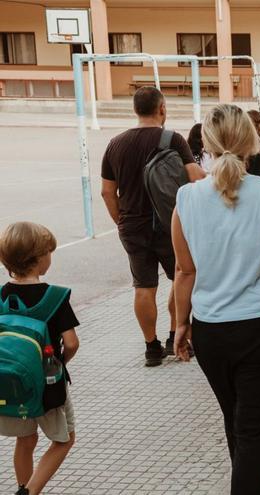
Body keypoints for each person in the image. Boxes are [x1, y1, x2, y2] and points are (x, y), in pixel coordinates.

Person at [171, 104, 260, 493]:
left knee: (236, 415)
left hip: (211, 331)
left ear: (205, 143)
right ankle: (251, 479)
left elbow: (184, 271)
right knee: (255, 427)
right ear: (251, 142)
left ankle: (254, 475)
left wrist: (179, 324)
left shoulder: (186, 198)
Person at [99, 86, 204, 367]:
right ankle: (174, 336)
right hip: (169, 223)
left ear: (135, 110)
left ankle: (151, 347)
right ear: (162, 109)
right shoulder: (173, 139)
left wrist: (121, 220)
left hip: (133, 226)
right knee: (180, 276)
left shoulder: (115, 143)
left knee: (143, 286)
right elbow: (195, 177)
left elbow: (107, 192)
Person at [0, 222, 80, 495]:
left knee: (25, 439)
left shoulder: (1, 296)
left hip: (11, 385)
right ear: (39, 258)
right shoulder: (54, 297)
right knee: (65, 439)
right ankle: (29, 491)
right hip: (48, 384)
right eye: (48, 251)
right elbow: (70, 343)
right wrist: (61, 364)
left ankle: (25, 486)